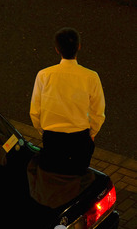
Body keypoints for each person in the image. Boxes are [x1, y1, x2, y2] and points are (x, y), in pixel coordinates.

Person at [30, 27, 106, 175]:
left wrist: (44, 132)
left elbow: (35, 111)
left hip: (52, 138)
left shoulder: (44, 75)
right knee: (77, 176)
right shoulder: (91, 76)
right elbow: (98, 112)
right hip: (80, 138)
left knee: (53, 176)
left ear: (57, 49)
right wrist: (91, 133)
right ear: (79, 46)